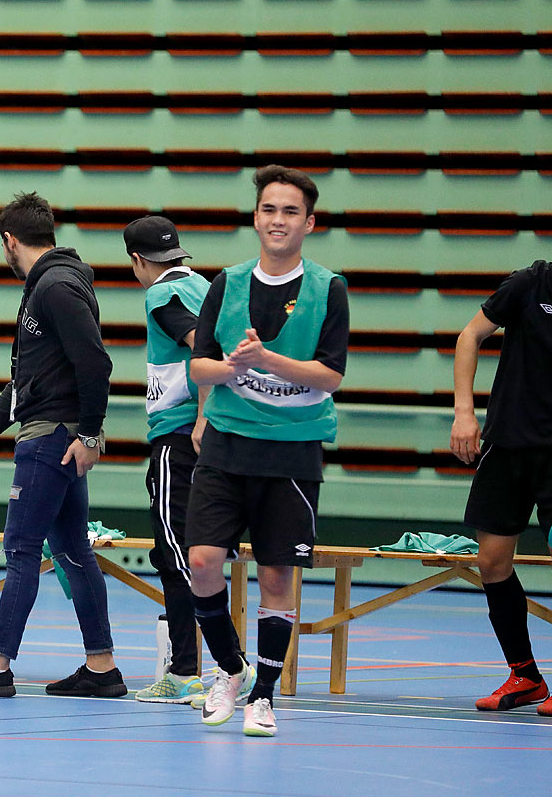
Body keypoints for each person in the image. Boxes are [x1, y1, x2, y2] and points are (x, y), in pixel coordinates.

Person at [0, 193, 120, 699]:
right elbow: (27, 379)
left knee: (20, 551)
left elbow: (96, 364)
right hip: (53, 435)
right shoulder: (53, 283)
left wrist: (90, 434)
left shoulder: (55, 287)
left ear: (10, 240)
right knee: (73, 552)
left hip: (50, 442)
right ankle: (101, 667)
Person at [186, 165, 349, 738]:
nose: (277, 220)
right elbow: (197, 364)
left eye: (289, 211)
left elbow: (330, 376)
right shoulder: (226, 284)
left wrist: (268, 361)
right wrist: (231, 366)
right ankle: (229, 668)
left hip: (292, 453)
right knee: (203, 562)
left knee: (278, 577)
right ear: (256, 217)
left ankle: (263, 696)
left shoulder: (329, 288)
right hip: (228, 445)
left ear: (309, 222)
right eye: (269, 209)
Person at [449, 216, 552, 717]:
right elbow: (470, 336)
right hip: (506, 445)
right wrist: (465, 412)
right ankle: (524, 675)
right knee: (492, 562)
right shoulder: (532, 283)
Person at [124, 214, 210, 703]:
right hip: (199, 437)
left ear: (137, 261)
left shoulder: (162, 295)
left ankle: (193, 671)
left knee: (176, 553)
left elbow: (205, 349)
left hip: (178, 437)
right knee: (185, 551)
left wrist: (200, 418)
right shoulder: (203, 284)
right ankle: (193, 668)